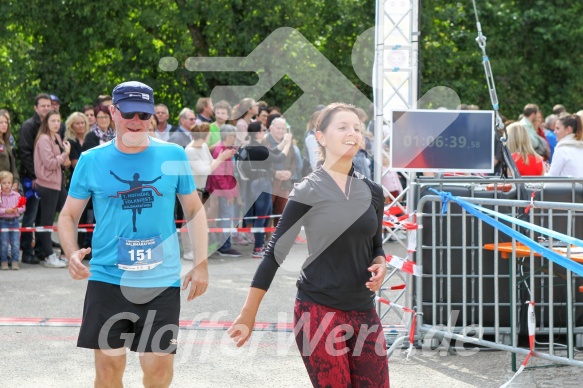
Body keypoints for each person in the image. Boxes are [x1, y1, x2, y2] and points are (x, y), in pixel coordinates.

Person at [57, 81, 209, 387]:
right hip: (108, 280)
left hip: (160, 282)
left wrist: (201, 262)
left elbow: (194, 210)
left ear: (152, 115)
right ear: (113, 112)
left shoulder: (174, 155)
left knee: (158, 372)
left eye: (143, 114)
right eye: (128, 113)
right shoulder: (91, 160)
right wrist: (70, 250)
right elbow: (68, 215)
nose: (136, 121)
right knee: (108, 372)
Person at [228, 103, 389, 387]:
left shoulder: (373, 192)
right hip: (318, 312)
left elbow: (376, 247)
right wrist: (248, 313)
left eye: (357, 128)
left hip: (364, 311)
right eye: (343, 127)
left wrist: (381, 264)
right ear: (321, 137)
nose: (352, 133)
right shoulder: (307, 189)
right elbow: (274, 253)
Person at [239, 120, 292, 258]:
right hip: (261, 182)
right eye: (263, 130)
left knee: (265, 213)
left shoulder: (253, 146)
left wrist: (283, 143)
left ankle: (260, 244)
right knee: (261, 216)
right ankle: (257, 248)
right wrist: (288, 143)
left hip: (258, 182)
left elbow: (272, 152)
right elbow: (279, 158)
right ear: (257, 133)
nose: (265, 132)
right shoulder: (257, 148)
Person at [19, 93, 53, 265]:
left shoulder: (50, 126)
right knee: (30, 215)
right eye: (43, 105)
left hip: (47, 179)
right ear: (36, 107)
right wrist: (34, 176)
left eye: (49, 105)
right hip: (31, 179)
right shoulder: (28, 126)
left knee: (43, 216)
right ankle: (26, 251)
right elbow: (25, 153)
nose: (46, 108)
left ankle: (41, 250)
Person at [34, 110, 71, 268]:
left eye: (58, 121)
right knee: (47, 221)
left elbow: (61, 161)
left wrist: (64, 157)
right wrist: (65, 155)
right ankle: (48, 255)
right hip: (47, 184)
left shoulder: (56, 137)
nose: (57, 123)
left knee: (67, 216)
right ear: (46, 123)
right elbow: (49, 163)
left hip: (58, 183)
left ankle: (64, 252)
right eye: (53, 121)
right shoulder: (43, 139)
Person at [206, 124, 241, 257]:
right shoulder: (220, 150)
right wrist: (228, 194)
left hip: (227, 191)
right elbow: (219, 176)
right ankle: (225, 247)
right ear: (227, 136)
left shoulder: (227, 149)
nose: (235, 138)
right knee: (226, 219)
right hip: (222, 192)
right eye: (234, 135)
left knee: (226, 218)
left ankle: (223, 245)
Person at [0, 171, 25, 270]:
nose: (7, 185)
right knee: (4, 243)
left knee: (15, 242)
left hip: (15, 221)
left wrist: (17, 210)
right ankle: (4, 261)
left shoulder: (17, 195)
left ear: (12, 183)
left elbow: (23, 207)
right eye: (4, 183)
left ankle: (15, 261)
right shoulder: (0, 196)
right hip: (3, 221)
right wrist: (5, 210)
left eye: (9, 183)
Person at [0, 111, 19, 188]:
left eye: (6, 122)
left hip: (9, 184)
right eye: (1, 122)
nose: (4, 125)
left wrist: (15, 180)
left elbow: (13, 163)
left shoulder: (6, 141)